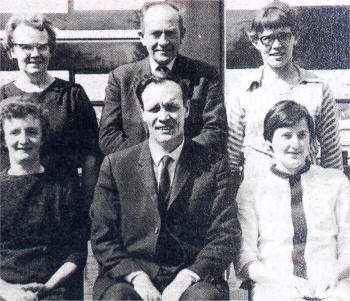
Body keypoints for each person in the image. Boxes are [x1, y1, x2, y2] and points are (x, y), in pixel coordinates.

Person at [90, 75, 241, 301]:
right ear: (142, 114)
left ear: (186, 109)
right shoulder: (116, 165)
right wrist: (136, 277)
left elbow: (225, 234)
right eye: (154, 109)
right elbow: (103, 237)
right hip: (131, 276)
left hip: (192, 277)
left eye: (172, 107)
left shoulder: (214, 166)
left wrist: (188, 277)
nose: (163, 117)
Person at [236, 100, 350, 301]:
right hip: (275, 285)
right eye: (286, 136)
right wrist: (289, 281)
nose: (295, 144)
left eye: (302, 135)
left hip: (332, 283)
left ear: (311, 140)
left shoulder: (335, 182)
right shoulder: (252, 187)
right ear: (269, 141)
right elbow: (245, 259)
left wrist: (335, 274)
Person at [226, 1, 343, 180]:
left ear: (295, 38)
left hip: (306, 190)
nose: (277, 45)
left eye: (284, 36)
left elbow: (332, 157)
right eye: (268, 38)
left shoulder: (318, 88)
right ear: (255, 41)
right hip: (257, 193)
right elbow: (231, 158)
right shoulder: (242, 92)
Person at [99, 1, 226, 156]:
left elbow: (215, 131)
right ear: (142, 37)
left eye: (170, 33)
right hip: (136, 175)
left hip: (189, 172)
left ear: (182, 34)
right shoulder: (121, 78)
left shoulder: (205, 76)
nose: (163, 42)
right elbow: (108, 137)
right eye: (156, 34)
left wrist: (175, 160)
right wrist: (150, 162)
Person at [0, 13, 101, 205]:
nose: (35, 54)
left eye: (42, 47)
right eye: (26, 47)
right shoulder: (2, 97)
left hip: (62, 202)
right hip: (12, 202)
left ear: (50, 50)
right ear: (12, 51)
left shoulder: (72, 96)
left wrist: (86, 205)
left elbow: (91, 157)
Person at [0, 99, 87, 300]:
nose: (23, 140)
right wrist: (6, 290)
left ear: (42, 137)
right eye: (15, 132)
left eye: (31, 132)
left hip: (52, 289)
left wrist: (45, 289)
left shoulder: (63, 187)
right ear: (4, 139)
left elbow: (76, 251)